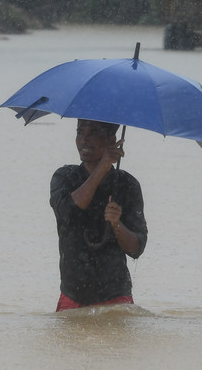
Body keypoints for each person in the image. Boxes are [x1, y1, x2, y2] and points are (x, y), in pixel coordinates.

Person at [49, 118, 148, 311]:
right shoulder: (64, 177)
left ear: (112, 140)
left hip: (116, 295)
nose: (83, 140)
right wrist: (103, 166)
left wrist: (117, 224)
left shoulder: (127, 185)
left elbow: (136, 248)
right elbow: (70, 210)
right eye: (80, 132)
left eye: (93, 133)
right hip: (73, 294)